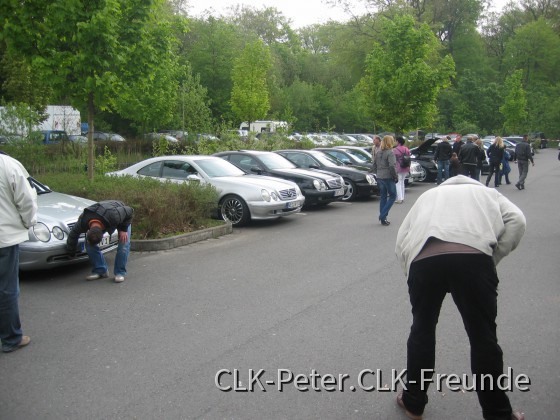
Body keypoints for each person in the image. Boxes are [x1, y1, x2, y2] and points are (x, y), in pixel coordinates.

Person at [395, 175, 526, 420]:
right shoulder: (489, 194)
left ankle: (413, 403)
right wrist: (492, 258)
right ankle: (498, 414)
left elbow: (402, 238)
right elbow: (517, 220)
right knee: (483, 338)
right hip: (473, 260)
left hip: (424, 261)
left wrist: (411, 272)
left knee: (422, 330)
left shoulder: (427, 196)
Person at [0, 152, 38, 353]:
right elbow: (27, 199)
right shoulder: (8, 165)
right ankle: (11, 337)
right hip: (4, 238)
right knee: (6, 288)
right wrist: (27, 223)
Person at [66, 200, 134, 283]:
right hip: (99, 215)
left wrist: (123, 230)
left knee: (124, 243)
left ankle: (120, 273)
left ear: (102, 232)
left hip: (123, 217)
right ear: (89, 229)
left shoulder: (114, 215)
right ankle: (100, 270)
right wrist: (71, 252)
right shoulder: (83, 221)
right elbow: (73, 235)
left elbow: (130, 210)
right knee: (89, 244)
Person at [372, 135, 397, 226]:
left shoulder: (378, 152)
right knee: (393, 196)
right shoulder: (390, 152)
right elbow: (392, 166)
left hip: (380, 176)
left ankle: (383, 218)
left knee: (383, 196)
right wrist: (395, 176)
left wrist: (377, 173)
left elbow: (374, 164)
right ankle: (383, 215)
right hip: (388, 177)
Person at [393, 136, 410, 204]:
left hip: (399, 168)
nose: (395, 142)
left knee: (398, 183)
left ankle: (399, 198)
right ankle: (402, 197)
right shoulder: (406, 149)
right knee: (402, 182)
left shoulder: (395, 150)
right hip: (406, 167)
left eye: (396, 141)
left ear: (398, 141)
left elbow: (393, 159)